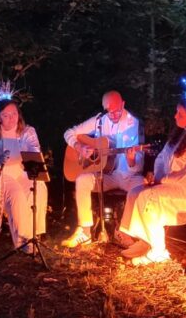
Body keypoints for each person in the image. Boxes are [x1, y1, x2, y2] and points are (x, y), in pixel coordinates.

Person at [118, 77, 186, 266]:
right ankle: (144, 241)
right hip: (173, 185)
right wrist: (155, 177)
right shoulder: (182, 135)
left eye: (179, 114)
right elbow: (162, 159)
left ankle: (159, 252)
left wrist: (164, 180)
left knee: (148, 198)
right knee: (135, 192)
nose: (175, 117)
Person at [60, 90, 144, 248]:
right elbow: (69, 132)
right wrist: (78, 146)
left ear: (123, 104)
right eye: (109, 112)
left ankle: (127, 233)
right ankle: (84, 232)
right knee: (82, 179)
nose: (113, 115)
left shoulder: (134, 124)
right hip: (106, 175)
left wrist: (131, 159)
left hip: (128, 176)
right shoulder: (99, 120)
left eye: (117, 110)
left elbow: (137, 165)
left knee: (141, 188)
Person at [0, 93, 46, 253]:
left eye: (14, 114)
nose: (11, 118)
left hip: (22, 170)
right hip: (1, 175)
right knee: (16, 196)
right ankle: (23, 240)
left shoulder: (27, 131)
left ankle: (35, 235)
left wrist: (28, 156)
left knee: (39, 187)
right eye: (6, 115)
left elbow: (35, 150)